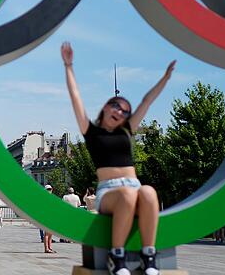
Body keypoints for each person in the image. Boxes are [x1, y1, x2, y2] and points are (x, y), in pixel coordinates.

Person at [62, 41, 174, 275]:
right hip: (110, 192)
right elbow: (75, 97)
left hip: (133, 185)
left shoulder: (126, 130)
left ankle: (149, 255)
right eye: (116, 106)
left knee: (149, 192)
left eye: (125, 111)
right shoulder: (90, 131)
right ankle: (117, 256)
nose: (120, 112)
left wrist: (165, 77)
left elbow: (146, 101)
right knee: (127, 194)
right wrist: (69, 66)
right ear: (105, 108)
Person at [43, 184, 56, 253]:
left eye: (50, 189)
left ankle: (50, 247)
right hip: (47, 216)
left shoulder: (52, 197)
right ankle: (46, 248)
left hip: (52, 216)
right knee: (47, 233)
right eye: (48, 189)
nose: (49, 190)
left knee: (51, 233)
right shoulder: (44, 198)